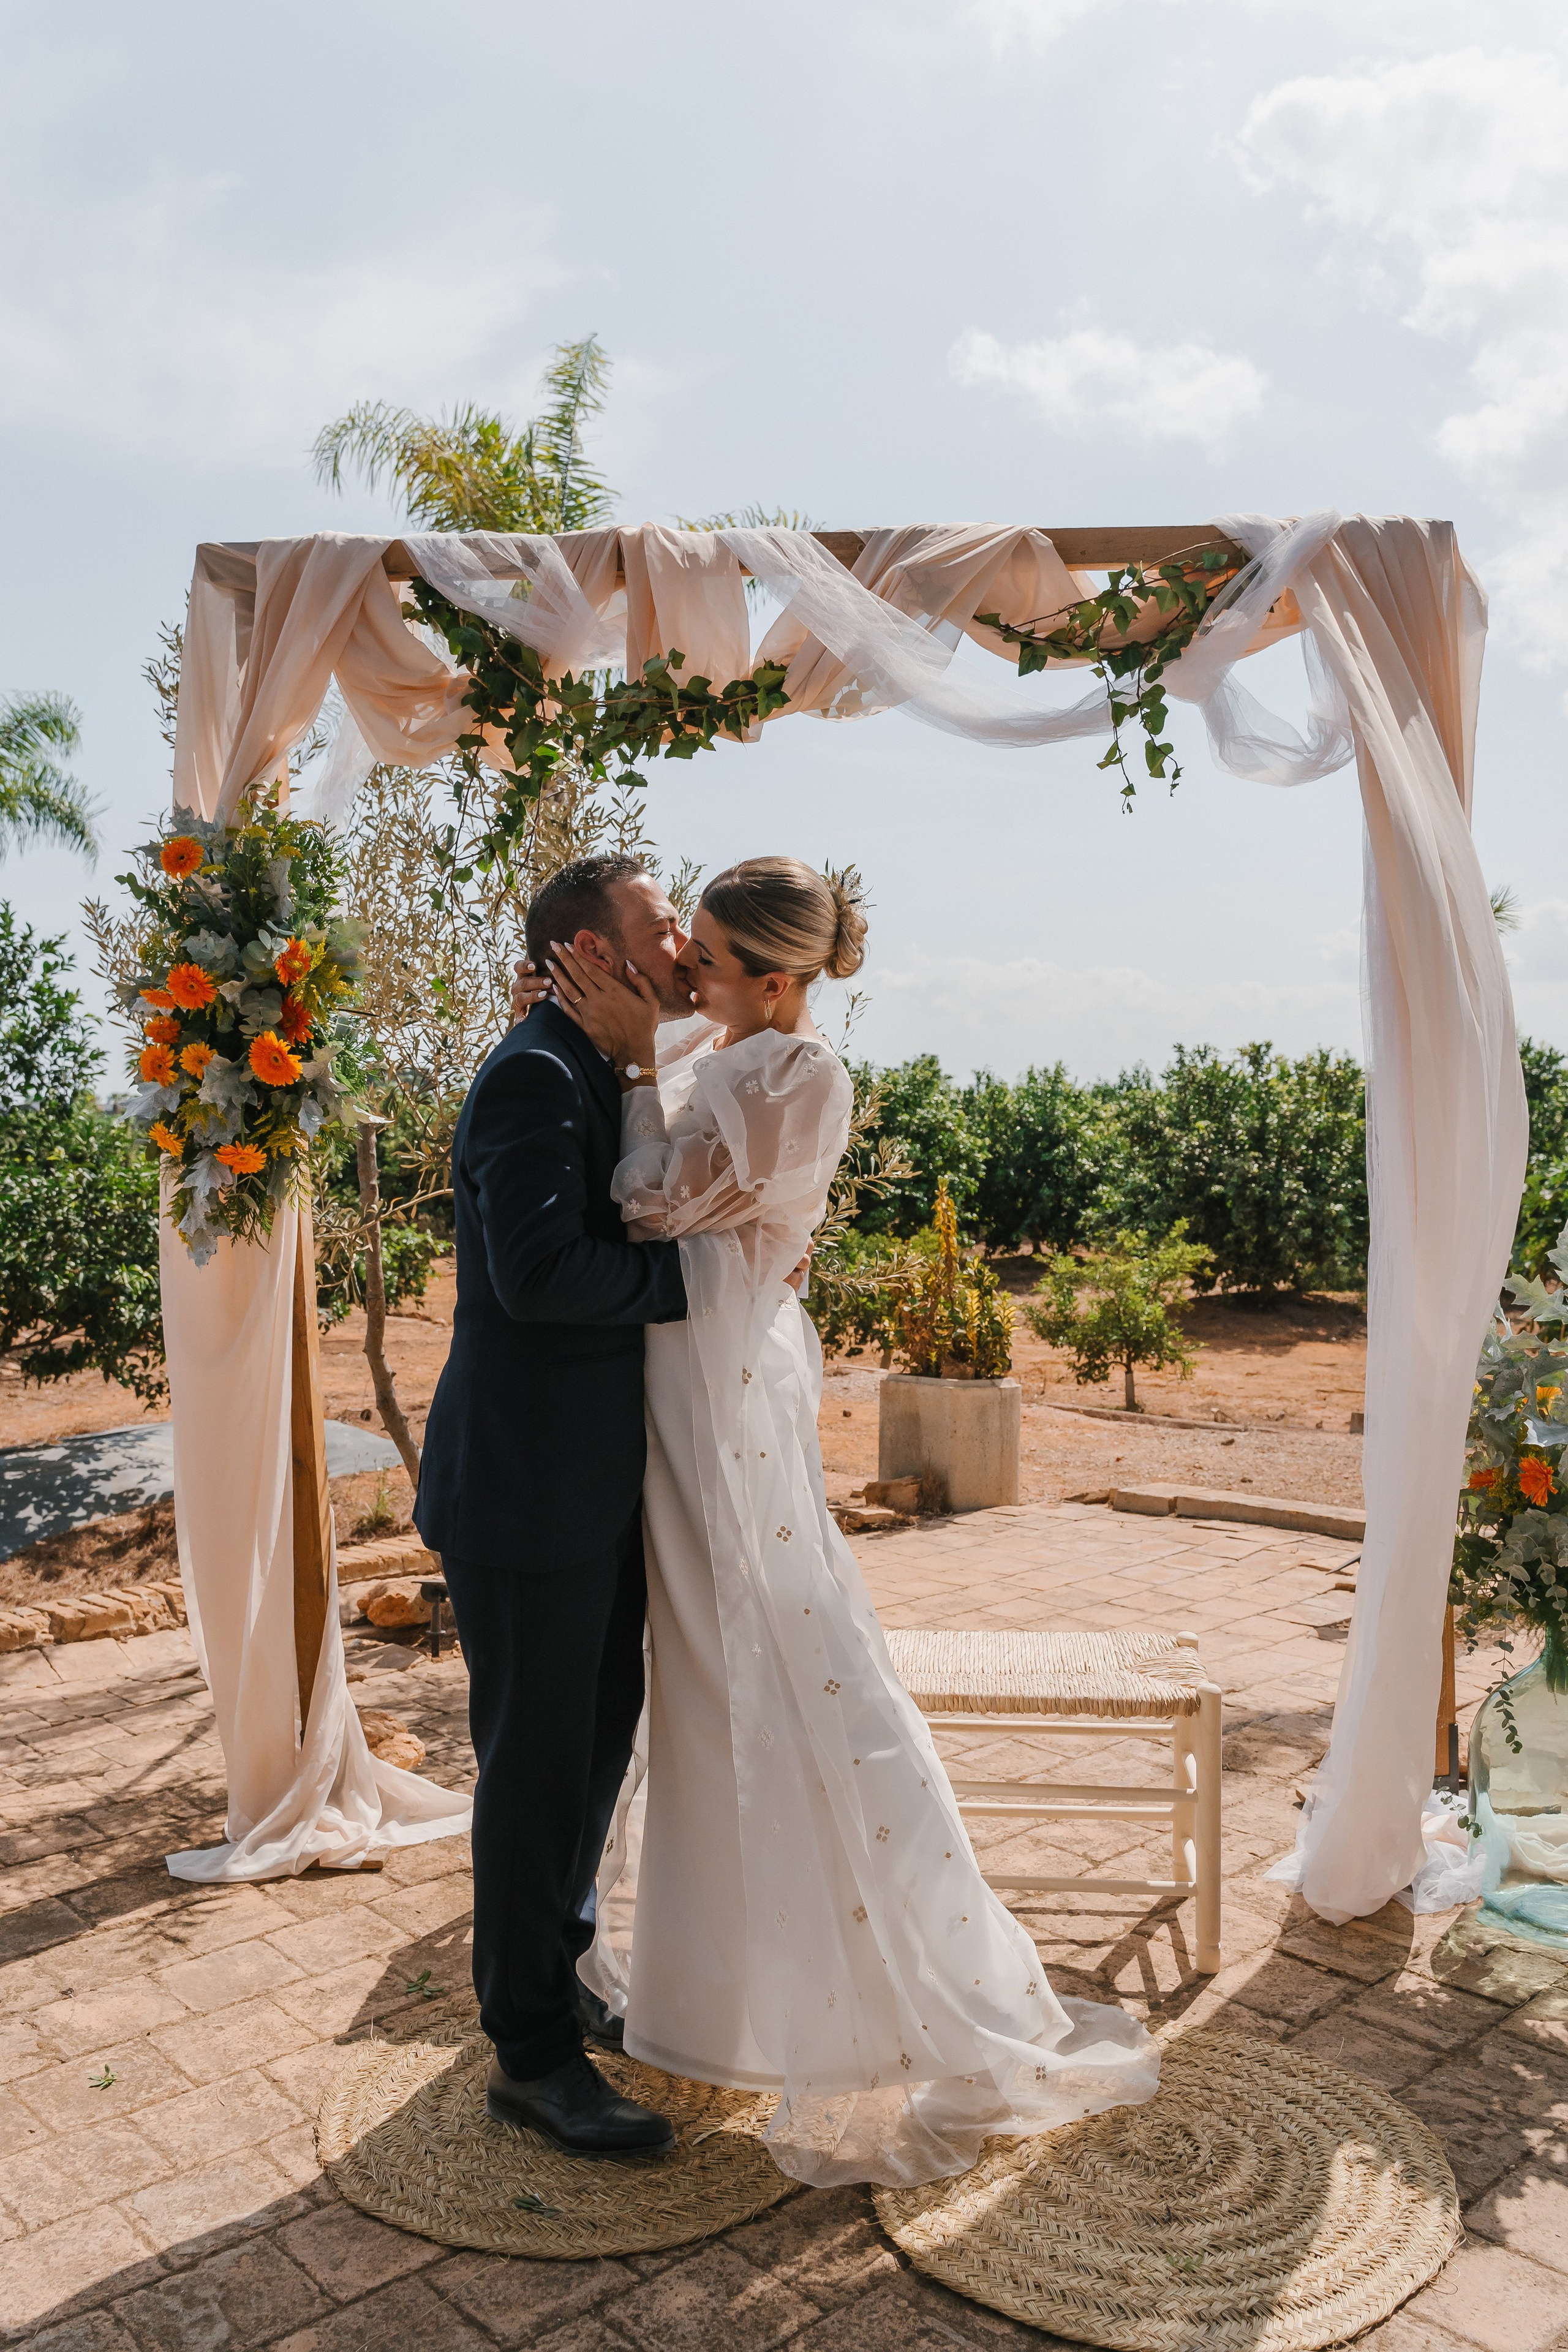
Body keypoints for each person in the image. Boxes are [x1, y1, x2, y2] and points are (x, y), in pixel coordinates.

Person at [539, 856, 1160, 2188]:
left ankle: (888, 1990)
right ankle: (711, 2004)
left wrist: (638, 1064)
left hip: (718, 1392)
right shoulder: (720, 1045)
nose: (681, 974)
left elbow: (648, 1204)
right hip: (672, 1370)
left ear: (776, 978)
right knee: (697, 1679)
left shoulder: (803, 1075)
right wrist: (647, 1058)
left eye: (703, 959)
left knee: (767, 1656)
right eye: (683, 951)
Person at [414, 852, 697, 2158]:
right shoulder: (532, 1073)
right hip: (527, 1490)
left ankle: (556, 1972)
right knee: (533, 1772)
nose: (682, 939)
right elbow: (538, 1277)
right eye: (657, 923)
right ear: (588, 953)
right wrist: (706, 1288)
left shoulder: (607, 1067)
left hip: (594, 1488)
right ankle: (527, 2053)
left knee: (592, 1746)